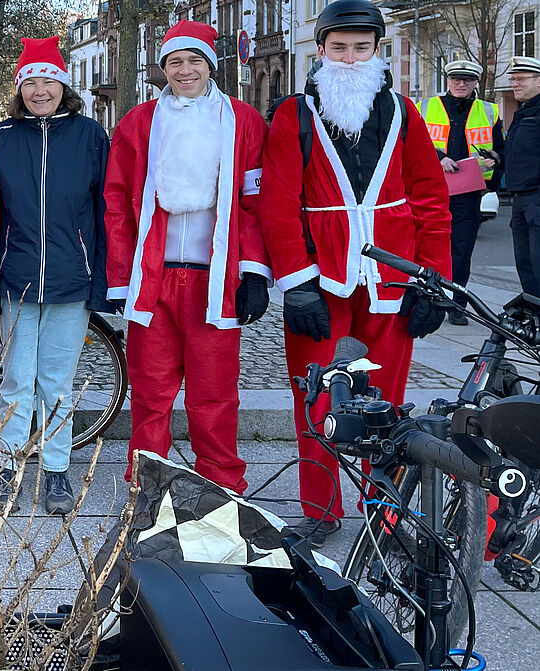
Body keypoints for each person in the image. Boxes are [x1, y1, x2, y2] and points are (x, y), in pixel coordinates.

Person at [261, 0, 451, 547]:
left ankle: (385, 512)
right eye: (338, 47)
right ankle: (320, 509)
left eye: (360, 47)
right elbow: (278, 204)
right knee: (315, 398)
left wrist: (432, 279)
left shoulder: (402, 111)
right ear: (319, 50)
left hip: (392, 273)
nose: (348, 57)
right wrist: (295, 283)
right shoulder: (294, 114)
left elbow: (430, 199)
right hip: (319, 276)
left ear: (376, 51)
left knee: (389, 401)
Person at [104, 20, 271, 497]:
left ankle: (222, 490)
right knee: (151, 396)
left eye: (194, 59)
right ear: (164, 68)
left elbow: (254, 202)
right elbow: (116, 203)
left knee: (214, 396)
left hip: (214, 279)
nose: (185, 69)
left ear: (210, 65)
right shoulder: (137, 122)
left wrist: (255, 272)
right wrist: (121, 277)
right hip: (153, 277)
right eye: (175, 61)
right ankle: (147, 489)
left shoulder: (243, 121)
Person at [0, 36, 109, 515]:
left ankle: (56, 470)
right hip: (16, 277)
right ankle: (9, 465)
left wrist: (102, 280)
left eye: (49, 81)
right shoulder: (2, 137)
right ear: (20, 88)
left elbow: (104, 210)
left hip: (69, 278)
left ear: (63, 85)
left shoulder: (88, 135)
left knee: (57, 382)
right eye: (31, 81)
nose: (41, 90)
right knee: (16, 379)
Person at [422, 59, 505, 325]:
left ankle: (457, 305)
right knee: (430, 247)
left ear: (474, 83)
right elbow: (410, 143)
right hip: (431, 190)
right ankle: (428, 299)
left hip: (468, 193)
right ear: (447, 80)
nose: (461, 84)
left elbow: (501, 150)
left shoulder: (489, 111)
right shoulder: (425, 107)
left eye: (467, 80)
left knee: (461, 250)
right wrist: (438, 157)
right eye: (456, 79)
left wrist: (495, 158)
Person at [505, 56, 540, 296]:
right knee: (526, 264)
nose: (515, 84)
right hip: (521, 199)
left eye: (521, 79)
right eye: (513, 79)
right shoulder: (525, 111)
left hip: (536, 198)